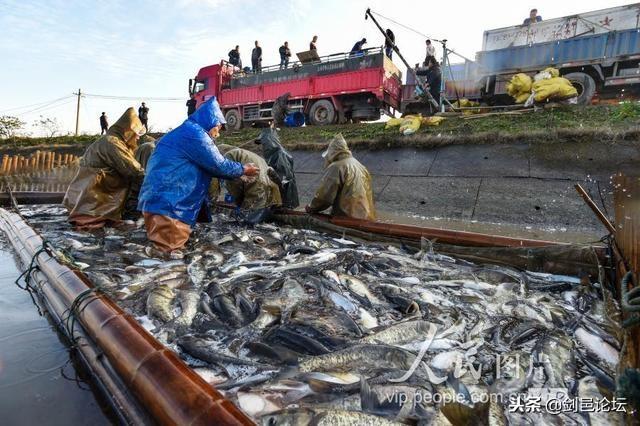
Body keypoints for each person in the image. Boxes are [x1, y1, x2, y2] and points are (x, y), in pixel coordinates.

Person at [138, 97, 259, 254]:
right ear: (211, 121)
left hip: (159, 203)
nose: (218, 133)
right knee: (169, 256)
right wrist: (244, 169)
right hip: (171, 206)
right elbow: (219, 165)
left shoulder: (184, 131)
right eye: (218, 128)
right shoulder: (196, 135)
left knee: (166, 249)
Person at [63, 107, 146, 230]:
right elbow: (133, 170)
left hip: (87, 198)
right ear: (128, 131)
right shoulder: (112, 143)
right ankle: (89, 222)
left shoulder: (111, 140)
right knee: (89, 228)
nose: (138, 138)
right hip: (93, 200)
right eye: (137, 134)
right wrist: (156, 184)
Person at [305, 133, 375, 220]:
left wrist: (311, 207)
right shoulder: (359, 165)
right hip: (367, 216)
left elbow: (325, 196)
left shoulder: (337, 166)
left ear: (332, 152)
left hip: (348, 218)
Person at [211, 144, 281, 210]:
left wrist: (212, 201)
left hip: (254, 176)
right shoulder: (244, 153)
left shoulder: (219, 160)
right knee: (267, 208)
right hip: (267, 179)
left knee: (251, 213)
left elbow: (216, 186)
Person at [255, 126, 299, 209]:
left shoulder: (279, 155)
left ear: (269, 142)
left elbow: (285, 179)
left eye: (264, 144)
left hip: (286, 198)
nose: (263, 146)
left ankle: (284, 206)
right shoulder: (272, 154)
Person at [123, 135, 157, 220]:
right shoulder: (151, 148)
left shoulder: (147, 146)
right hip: (137, 196)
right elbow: (147, 176)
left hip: (132, 192)